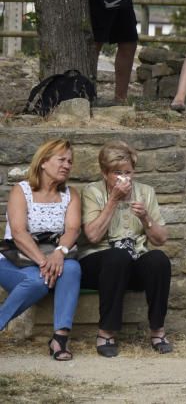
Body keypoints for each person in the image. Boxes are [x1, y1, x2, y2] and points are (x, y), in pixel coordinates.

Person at [80, 140, 172, 357]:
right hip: (98, 264)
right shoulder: (92, 192)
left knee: (158, 259)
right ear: (105, 173)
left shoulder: (146, 192)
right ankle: (106, 332)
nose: (124, 178)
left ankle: (157, 330)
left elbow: (161, 239)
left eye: (128, 172)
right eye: (117, 173)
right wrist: (113, 200)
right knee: (117, 257)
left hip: (132, 262)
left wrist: (145, 217)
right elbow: (92, 236)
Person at [0, 139, 81, 360]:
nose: (67, 165)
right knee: (38, 281)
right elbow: (18, 232)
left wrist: (59, 253)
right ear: (43, 162)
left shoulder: (70, 194)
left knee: (72, 268)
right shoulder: (21, 190)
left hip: (54, 256)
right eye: (61, 159)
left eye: (70, 161)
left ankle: (60, 339)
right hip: (15, 259)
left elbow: (72, 229)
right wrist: (44, 262)